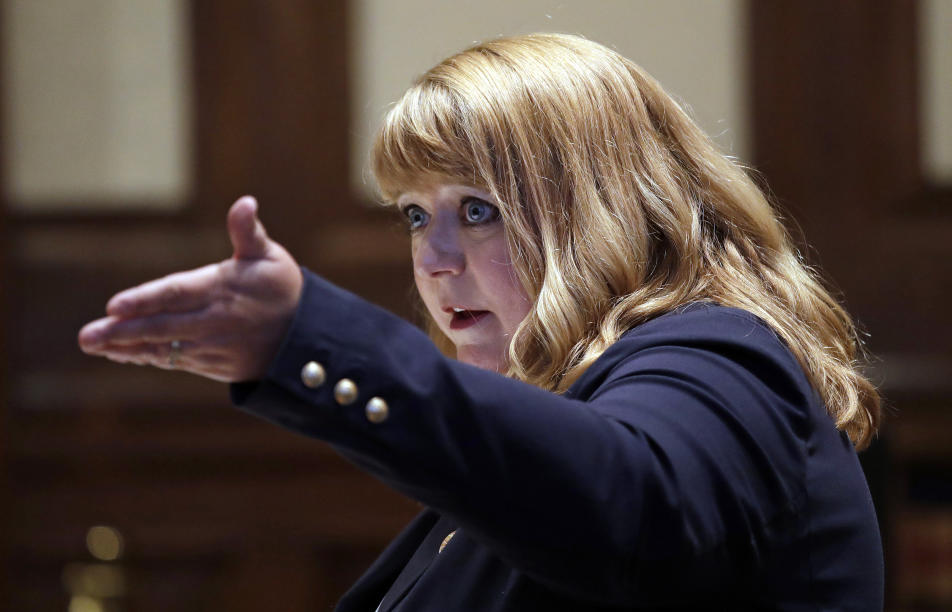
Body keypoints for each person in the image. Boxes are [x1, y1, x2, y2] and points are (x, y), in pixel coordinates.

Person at [79, 33, 884, 610]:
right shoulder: (557, 418)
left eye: (477, 209)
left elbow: (632, 508)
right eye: (413, 217)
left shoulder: (719, 350)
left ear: (598, 213)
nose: (433, 260)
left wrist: (308, 341)